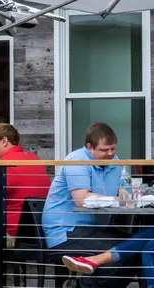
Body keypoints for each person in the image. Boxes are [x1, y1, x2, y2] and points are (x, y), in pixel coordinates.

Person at [42, 122, 133, 288]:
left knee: (137, 243)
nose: (110, 154)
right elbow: (81, 199)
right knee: (122, 250)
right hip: (66, 232)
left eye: (113, 149)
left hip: (95, 230)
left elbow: (125, 190)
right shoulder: (76, 161)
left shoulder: (115, 162)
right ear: (89, 147)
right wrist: (116, 199)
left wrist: (125, 194)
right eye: (104, 150)